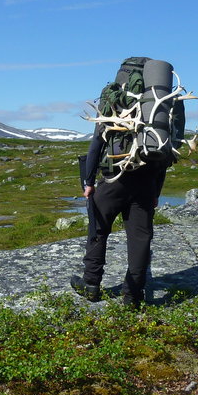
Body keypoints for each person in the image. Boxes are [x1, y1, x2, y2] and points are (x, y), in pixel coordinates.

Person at [70, 123, 168, 308]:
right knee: (141, 239)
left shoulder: (114, 106)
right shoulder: (156, 114)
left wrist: (88, 182)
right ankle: (133, 295)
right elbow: (164, 155)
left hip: (113, 180)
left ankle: (91, 284)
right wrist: (156, 192)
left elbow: (96, 146)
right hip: (146, 184)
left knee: (98, 230)